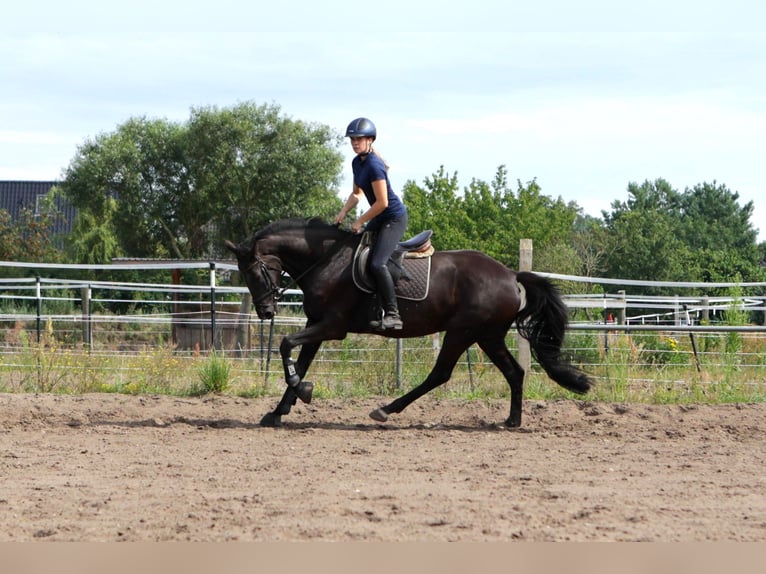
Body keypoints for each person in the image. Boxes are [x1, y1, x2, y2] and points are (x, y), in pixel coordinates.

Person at [334, 117, 408, 330]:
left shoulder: (375, 166)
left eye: (359, 139)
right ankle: (373, 307)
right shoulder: (357, 163)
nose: (355, 143)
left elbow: (383, 203)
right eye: (352, 140)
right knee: (357, 252)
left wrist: (360, 220)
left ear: (370, 140)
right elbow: (356, 194)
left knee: (377, 263)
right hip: (379, 216)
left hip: (393, 217)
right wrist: (342, 213)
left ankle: (393, 314)